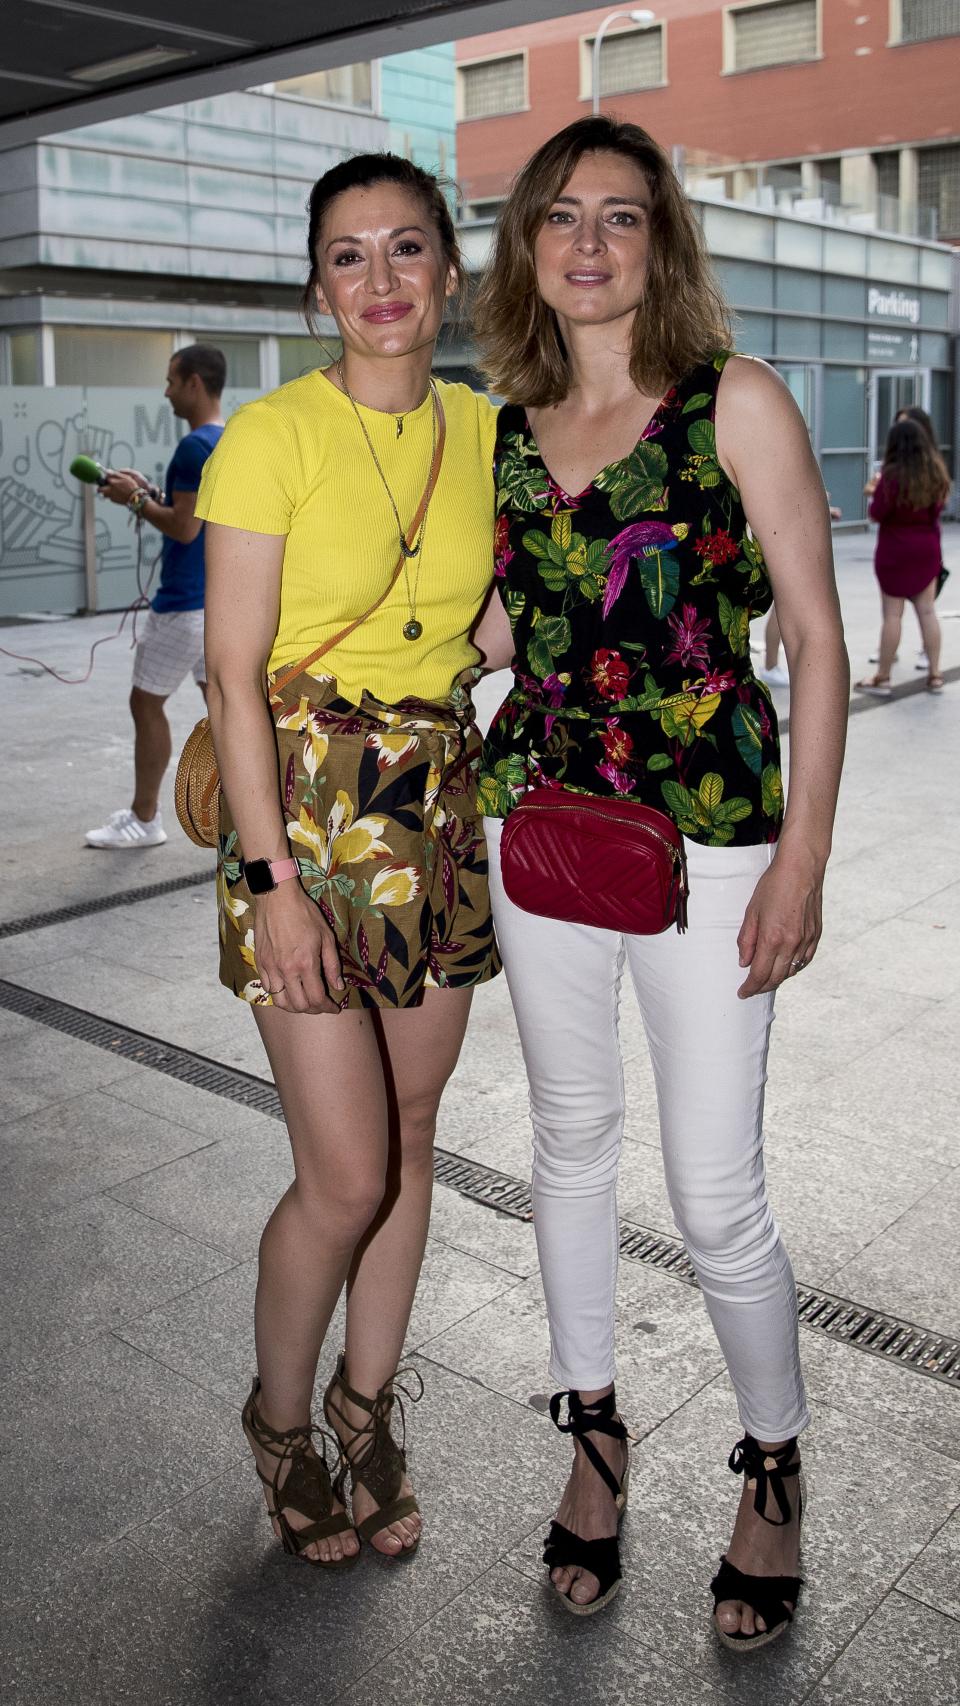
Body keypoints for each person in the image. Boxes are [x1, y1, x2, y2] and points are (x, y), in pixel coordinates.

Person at [472, 116, 848, 1644]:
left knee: (714, 1192)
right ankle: (595, 1441)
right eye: (561, 217)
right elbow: (504, 634)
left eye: (620, 218)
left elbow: (815, 638)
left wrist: (806, 857)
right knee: (568, 1146)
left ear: (660, 246)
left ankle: (773, 1462)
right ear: (529, 249)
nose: (587, 242)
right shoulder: (506, 419)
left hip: (709, 842)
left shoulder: (734, 403)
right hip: (543, 827)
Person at [194, 153, 501, 1568]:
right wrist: (272, 885)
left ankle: (366, 1410)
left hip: (434, 808)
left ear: (449, 268)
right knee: (342, 1173)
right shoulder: (271, 434)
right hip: (308, 825)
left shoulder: (488, 429)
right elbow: (229, 674)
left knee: (414, 1142)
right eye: (347, 257)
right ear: (315, 287)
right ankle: (280, 1423)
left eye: (405, 250)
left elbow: (486, 630)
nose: (380, 283)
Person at [86, 344, 226, 848]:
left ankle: (145, 819)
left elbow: (185, 528)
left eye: (171, 381)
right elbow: (199, 517)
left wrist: (136, 499)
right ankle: (247, 813)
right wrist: (153, 495)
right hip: (218, 601)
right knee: (224, 706)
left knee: (145, 704)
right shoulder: (224, 441)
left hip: (184, 604)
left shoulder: (192, 447)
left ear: (194, 382)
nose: (165, 392)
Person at [856, 416, 949, 697]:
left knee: (893, 614)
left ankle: (883, 677)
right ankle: (934, 674)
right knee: (928, 612)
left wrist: (874, 492)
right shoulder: (935, 474)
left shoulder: (891, 477)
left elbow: (877, 514)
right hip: (927, 548)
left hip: (895, 550)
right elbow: (936, 511)